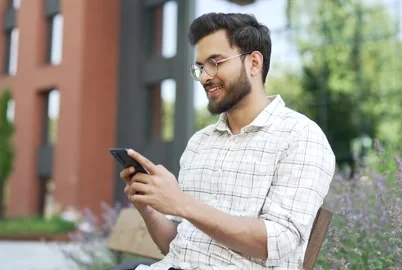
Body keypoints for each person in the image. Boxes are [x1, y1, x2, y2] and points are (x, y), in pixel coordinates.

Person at [112, 12, 336, 270]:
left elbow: (275, 242)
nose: (205, 77)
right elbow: (178, 247)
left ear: (254, 62)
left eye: (215, 62)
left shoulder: (300, 137)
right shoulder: (199, 143)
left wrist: (182, 203)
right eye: (200, 67)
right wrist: (148, 208)